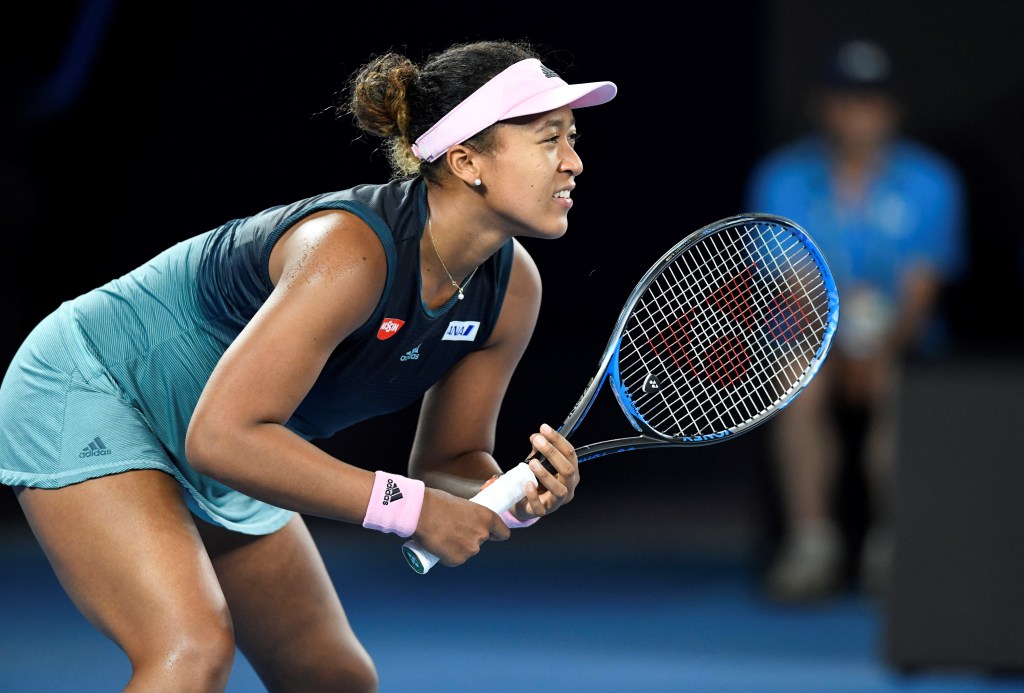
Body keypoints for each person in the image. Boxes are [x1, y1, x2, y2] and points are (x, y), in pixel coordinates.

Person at [0, 39, 617, 691]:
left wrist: (512, 496)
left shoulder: (513, 289)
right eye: (550, 139)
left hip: (225, 433)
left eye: (573, 138)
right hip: (97, 386)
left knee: (333, 678)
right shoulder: (350, 251)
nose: (574, 163)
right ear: (467, 160)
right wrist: (411, 510)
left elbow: (450, 461)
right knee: (189, 650)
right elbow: (222, 438)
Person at [745, 37, 966, 602]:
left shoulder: (932, 182)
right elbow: (790, 285)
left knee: (896, 381)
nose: (858, 115)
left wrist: (880, 349)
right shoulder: (782, 179)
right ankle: (811, 542)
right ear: (825, 106)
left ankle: (892, 548)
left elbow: (921, 290)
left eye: (871, 101)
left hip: (902, 344)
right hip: (811, 340)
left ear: (891, 109)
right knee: (799, 379)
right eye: (846, 101)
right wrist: (836, 351)